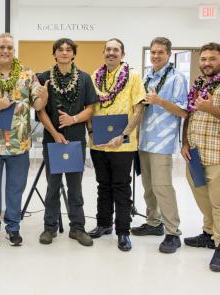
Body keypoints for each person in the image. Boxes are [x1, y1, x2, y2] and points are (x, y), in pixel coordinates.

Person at [0, 33, 48, 246]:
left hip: (19, 143)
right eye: (1, 47)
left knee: (15, 188)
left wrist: (44, 95)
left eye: (9, 48)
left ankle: (13, 227)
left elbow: (38, 105)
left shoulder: (27, 74)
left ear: (14, 51)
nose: (5, 51)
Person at [36, 38, 97, 246]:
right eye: (60, 49)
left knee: (75, 186)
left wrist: (73, 119)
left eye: (68, 50)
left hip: (76, 140)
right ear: (54, 54)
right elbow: (40, 110)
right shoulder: (42, 77)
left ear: (73, 54)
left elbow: (91, 108)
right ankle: (49, 228)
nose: (64, 52)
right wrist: (54, 133)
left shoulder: (85, 79)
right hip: (52, 140)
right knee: (53, 185)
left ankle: (77, 228)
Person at [87, 38, 146, 251]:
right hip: (98, 143)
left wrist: (123, 134)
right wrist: (91, 131)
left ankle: (123, 232)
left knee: (121, 187)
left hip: (123, 143)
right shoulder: (94, 76)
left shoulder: (134, 76)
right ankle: (103, 224)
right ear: (103, 52)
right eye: (108, 49)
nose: (111, 53)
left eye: (116, 50)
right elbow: (89, 107)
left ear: (122, 53)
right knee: (103, 185)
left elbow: (139, 108)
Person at [131, 37, 188, 254]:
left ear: (169, 54)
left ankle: (172, 232)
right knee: (148, 187)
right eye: (153, 52)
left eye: (160, 53)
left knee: (163, 188)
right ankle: (154, 223)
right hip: (144, 140)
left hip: (162, 143)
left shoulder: (177, 78)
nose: (155, 56)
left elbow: (183, 112)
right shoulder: (148, 76)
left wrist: (160, 101)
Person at [181, 42, 220, 272]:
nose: (206, 63)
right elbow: (189, 115)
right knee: (202, 197)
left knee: (219, 203)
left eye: (212, 59)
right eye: (204, 59)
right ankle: (208, 233)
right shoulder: (198, 84)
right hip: (195, 153)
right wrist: (184, 142)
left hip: (216, 154)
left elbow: (206, 110)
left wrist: (209, 108)